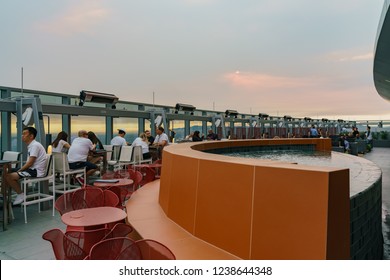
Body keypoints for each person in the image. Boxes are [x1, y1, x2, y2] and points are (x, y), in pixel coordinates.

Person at [6, 127, 47, 205]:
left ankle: (21, 194)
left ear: (31, 136)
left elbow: (30, 163)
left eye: (25, 134)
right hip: (31, 169)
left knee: (9, 176)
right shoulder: (32, 145)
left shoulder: (35, 145)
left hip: (35, 171)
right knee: (6, 173)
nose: (22, 135)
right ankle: (4, 194)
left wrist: (20, 170)